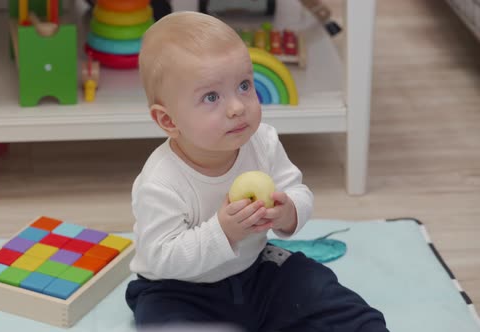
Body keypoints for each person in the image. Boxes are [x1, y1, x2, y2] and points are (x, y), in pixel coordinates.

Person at [125, 11, 389, 332]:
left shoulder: (262, 141)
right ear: (168, 121)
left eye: (244, 85)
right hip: (180, 290)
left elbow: (298, 191)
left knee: (328, 297)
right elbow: (161, 256)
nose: (237, 106)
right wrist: (223, 231)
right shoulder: (161, 181)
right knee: (163, 322)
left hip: (257, 270)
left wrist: (287, 211)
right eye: (211, 96)